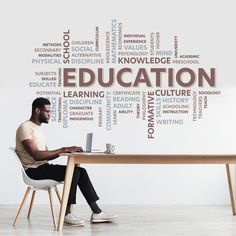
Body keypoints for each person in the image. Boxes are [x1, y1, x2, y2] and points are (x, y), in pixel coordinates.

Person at [15, 97, 117, 227]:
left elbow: (45, 155)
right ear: (37, 110)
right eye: (47, 111)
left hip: (42, 167)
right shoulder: (25, 128)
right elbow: (36, 155)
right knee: (73, 172)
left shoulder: (37, 129)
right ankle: (67, 214)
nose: (49, 115)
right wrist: (64, 149)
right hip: (33, 171)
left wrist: (67, 150)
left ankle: (96, 212)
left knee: (80, 171)